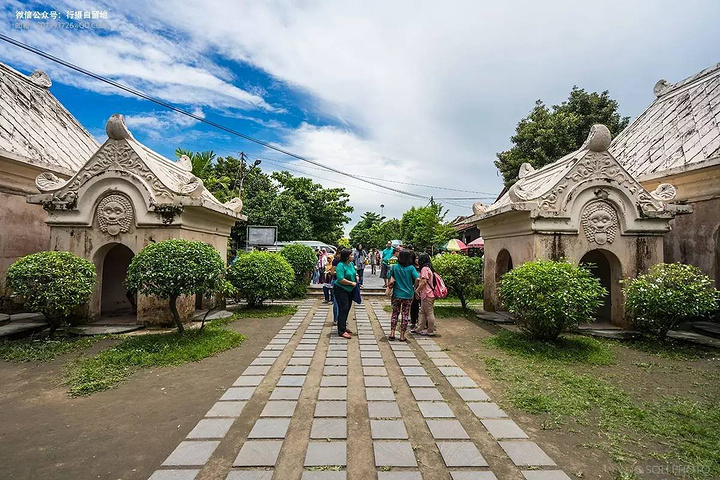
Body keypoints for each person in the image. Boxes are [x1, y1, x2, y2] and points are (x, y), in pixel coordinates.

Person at [388, 249, 419, 342]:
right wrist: (414, 287)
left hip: (397, 294)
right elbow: (417, 278)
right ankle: (402, 335)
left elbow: (390, 277)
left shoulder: (395, 267)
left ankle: (392, 333)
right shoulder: (411, 268)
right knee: (405, 314)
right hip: (408, 294)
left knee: (395, 313)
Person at [333, 248, 357, 339]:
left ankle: (343, 326)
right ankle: (341, 330)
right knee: (343, 308)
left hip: (350, 290)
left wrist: (357, 276)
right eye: (351, 255)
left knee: (347, 308)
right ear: (347, 257)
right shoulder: (340, 265)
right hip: (341, 289)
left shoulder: (350, 264)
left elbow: (354, 273)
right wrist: (351, 283)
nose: (352, 256)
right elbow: (340, 279)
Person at [413, 253, 437, 336]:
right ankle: (420, 328)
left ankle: (430, 330)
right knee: (422, 312)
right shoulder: (429, 268)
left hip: (427, 294)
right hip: (426, 294)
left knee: (429, 312)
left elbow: (424, 281)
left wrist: (417, 290)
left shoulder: (424, 269)